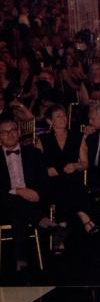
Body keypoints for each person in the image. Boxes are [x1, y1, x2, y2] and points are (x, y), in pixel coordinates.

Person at [38, 104, 97, 240]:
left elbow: (85, 163)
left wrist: (76, 166)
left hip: (72, 179)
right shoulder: (43, 140)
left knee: (68, 184)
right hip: (53, 180)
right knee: (65, 185)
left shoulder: (77, 136)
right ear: (49, 121)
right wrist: (46, 171)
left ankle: (61, 227)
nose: (63, 118)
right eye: (58, 116)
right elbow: (38, 167)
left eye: (64, 115)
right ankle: (83, 215)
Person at [1, 116, 49, 271]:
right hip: (3, 204)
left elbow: (44, 182)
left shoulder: (34, 153)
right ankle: (44, 222)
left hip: (29, 202)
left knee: (18, 211)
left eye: (13, 130)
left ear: (20, 132)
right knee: (14, 200)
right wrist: (19, 191)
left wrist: (37, 194)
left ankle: (21, 260)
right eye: (4, 132)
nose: (9, 134)